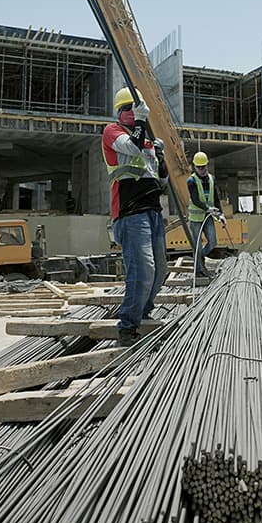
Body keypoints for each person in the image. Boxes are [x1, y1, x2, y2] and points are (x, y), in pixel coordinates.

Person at [102, 87, 168, 346]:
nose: (133, 112)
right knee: (143, 270)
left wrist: (160, 157)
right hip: (130, 212)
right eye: (128, 108)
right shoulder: (112, 131)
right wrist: (140, 121)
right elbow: (130, 146)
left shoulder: (147, 141)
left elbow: (161, 180)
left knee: (159, 270)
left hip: (153, 210)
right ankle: (127, 328)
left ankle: (142, 312)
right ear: (120, 111)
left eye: (136, 108)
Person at [185, 151, 220, 278]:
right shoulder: (191, 181)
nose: (201, 169)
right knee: (197, 245)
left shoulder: (212, 179)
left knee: (213, 242)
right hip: (196, 219)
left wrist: (220, 213)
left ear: (207, 165)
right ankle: (198, 270)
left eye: (203, 167)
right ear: (194, 167)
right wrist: (208, 208)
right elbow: (195, 200)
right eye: (199, 167)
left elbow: (216, 198)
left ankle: (200, 257)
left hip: (208, 217)